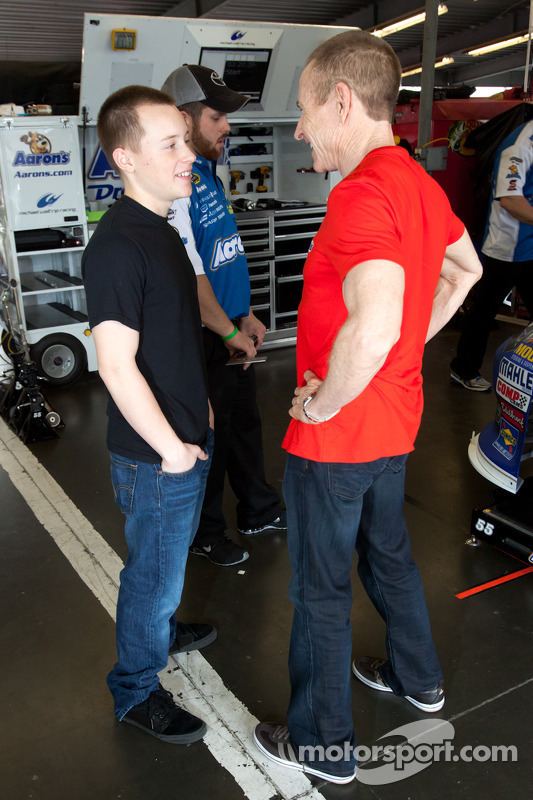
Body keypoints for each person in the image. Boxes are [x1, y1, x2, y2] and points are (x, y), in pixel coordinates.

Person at [253, 30, 483, 784]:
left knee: (320, 590)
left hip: (340, 438)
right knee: (386, 555)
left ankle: (321, 743)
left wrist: (325, 404)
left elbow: (377, 319)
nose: (298, 130)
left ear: (341, 101)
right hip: (396, 424)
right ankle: (419, 680)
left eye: (303, 111)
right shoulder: (416, 182)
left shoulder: (359, 193)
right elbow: (464, 269)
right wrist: (395, 358)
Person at [82, 85, 217, 744]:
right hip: (155, 456)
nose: (186, 154)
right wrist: (170, 449)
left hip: (183, 438)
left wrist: (202, 411)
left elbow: (170, 340)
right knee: (151, 577)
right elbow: (115, 364)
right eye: (170, 144)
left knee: (165, 565)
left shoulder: (160, 230)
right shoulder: (117, 247)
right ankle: (134, 690)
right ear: (124, 157)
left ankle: (162, 628)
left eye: (185, 141)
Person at [162, 64, 286, 567]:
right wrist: (229, 330)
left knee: (244, 425)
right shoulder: (178, 182)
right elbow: (190, 277)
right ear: (183, 118)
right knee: (208, 434)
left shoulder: (209, 172)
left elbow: (223, 254)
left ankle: (258, 508)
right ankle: (206, 531)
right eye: (217, 116)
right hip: (206, 333)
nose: (227, 126)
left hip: (232, 324)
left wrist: (247, 314)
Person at [450, 119, 533, 391]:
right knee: (483, 312)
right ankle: (463, 370)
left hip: (530, 245)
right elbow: (510, 200)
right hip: (505, 247)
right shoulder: (521, 144)